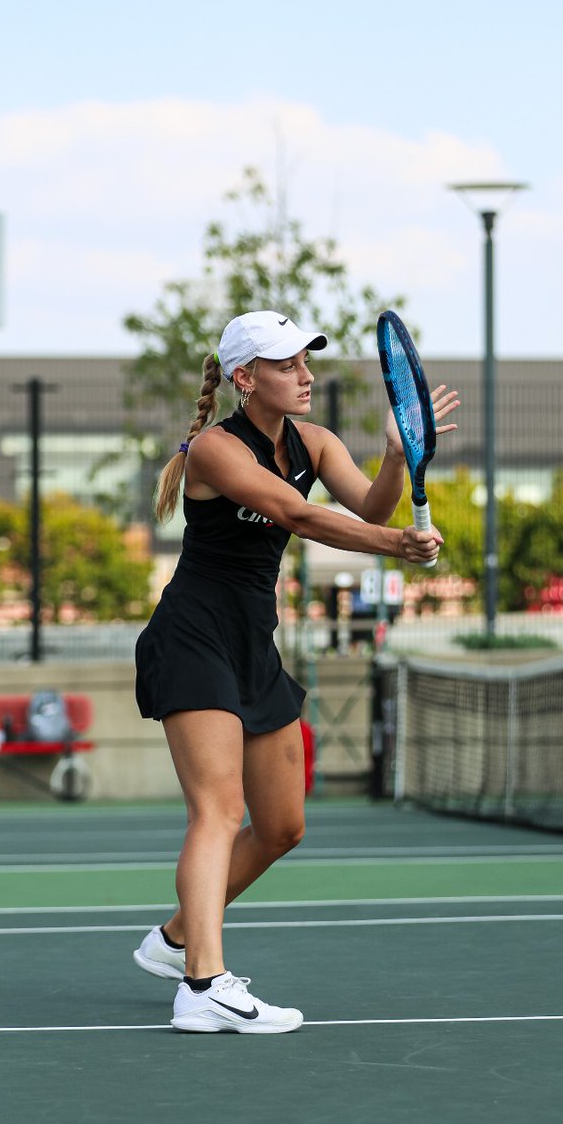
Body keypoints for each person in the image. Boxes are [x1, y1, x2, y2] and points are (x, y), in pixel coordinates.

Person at [132, 310, 458, 1034]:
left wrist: (397, 459)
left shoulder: (315, 441)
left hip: (254, 643)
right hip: (191, 637)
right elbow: (299, 516)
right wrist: (397, 545)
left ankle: (177, 938)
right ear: (245, 378)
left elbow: (368, 505)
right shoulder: (213, 451)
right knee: (218, 812)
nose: (306, 376)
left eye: (307, 362)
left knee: (281, 827)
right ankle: (203, 987)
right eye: (286, 365)